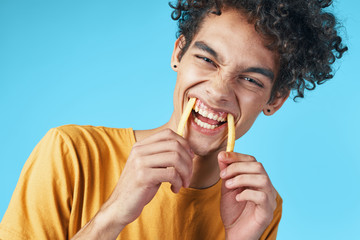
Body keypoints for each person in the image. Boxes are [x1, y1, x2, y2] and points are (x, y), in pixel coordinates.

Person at [0, 0, 347, 239]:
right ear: (178, 54)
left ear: (275, 100)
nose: (218, 92)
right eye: (207, 60)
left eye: (251, 79)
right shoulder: (71, 153)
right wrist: (113, 214)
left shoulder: (256, 204)